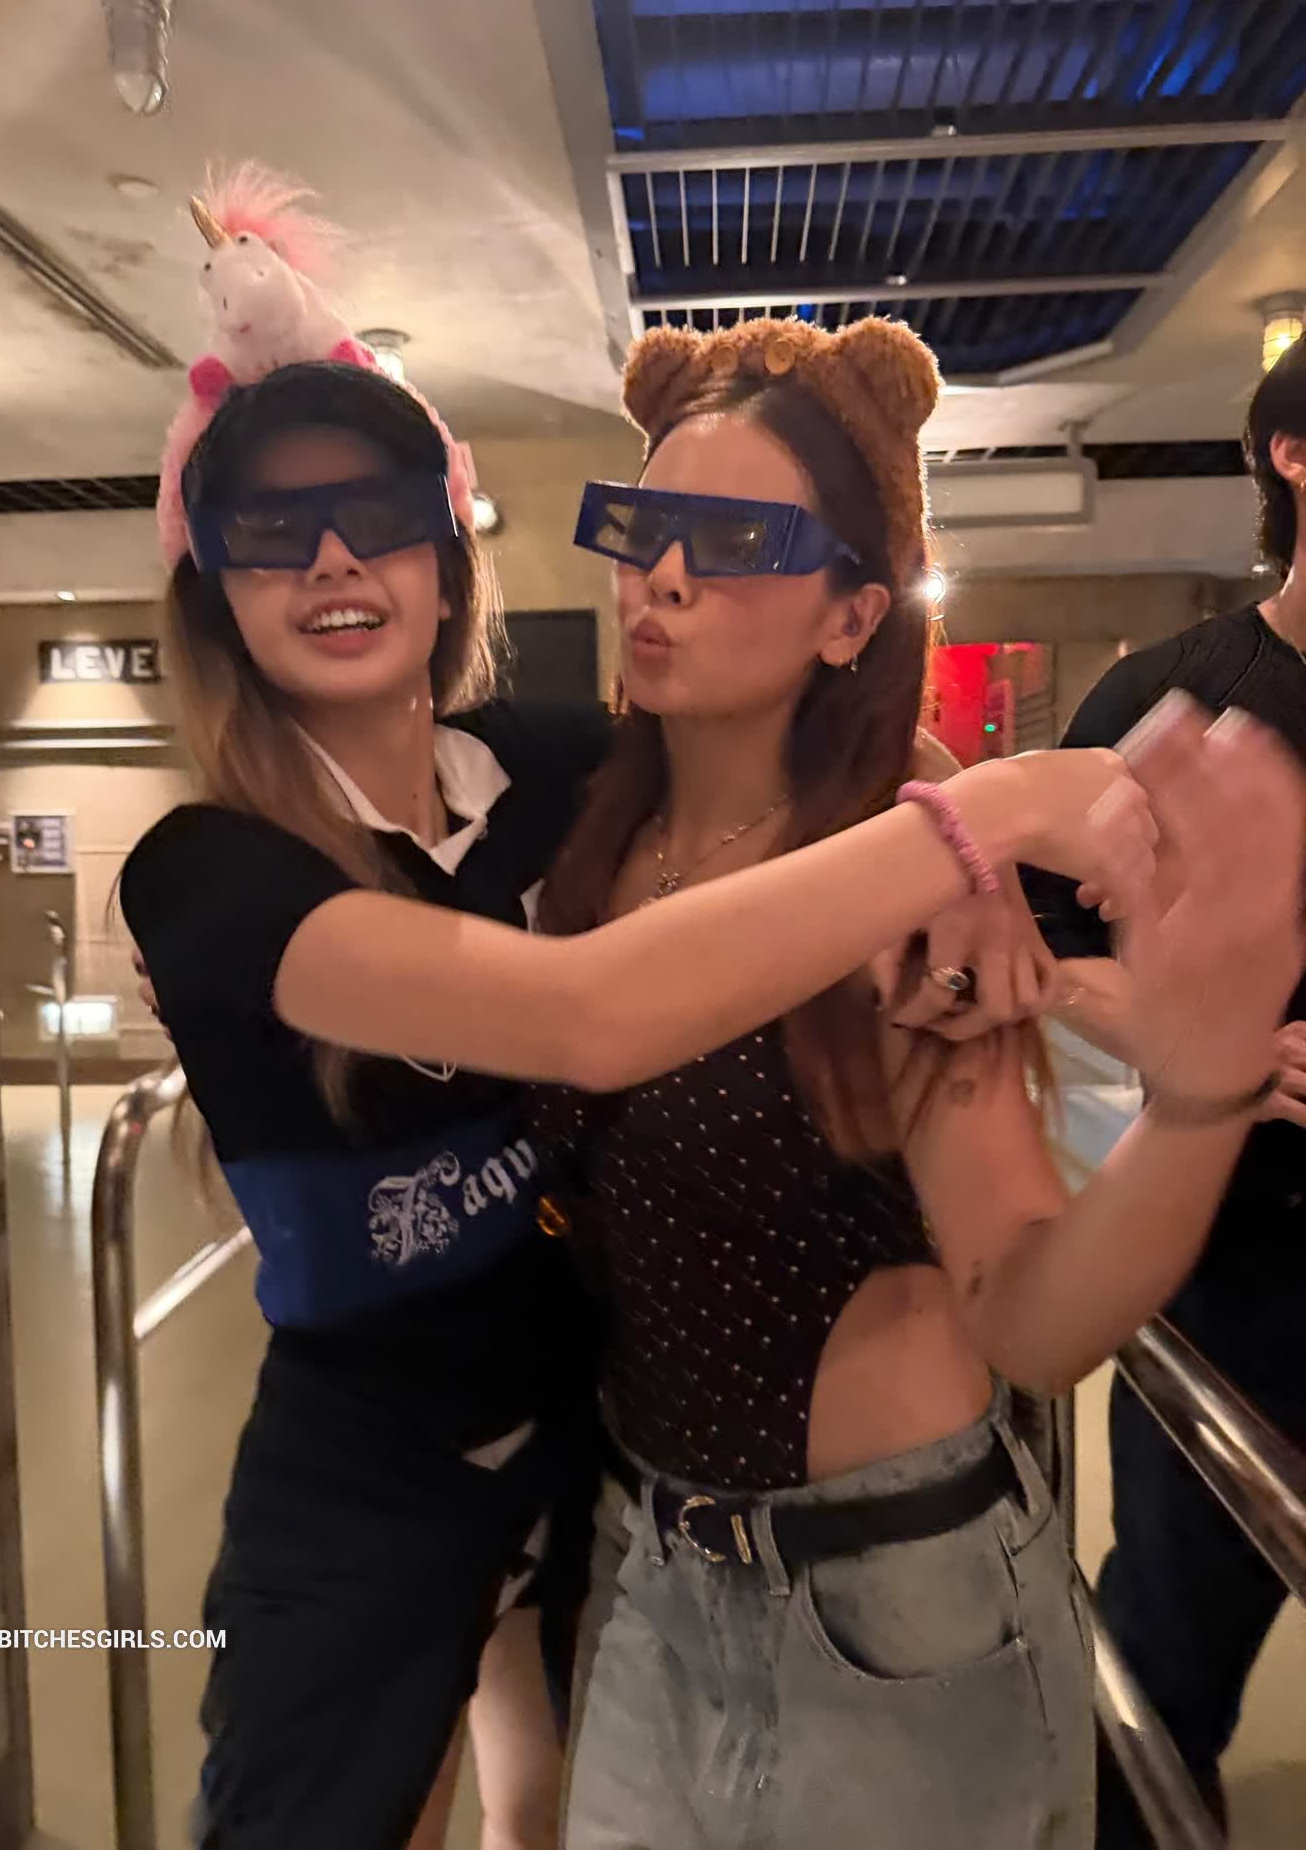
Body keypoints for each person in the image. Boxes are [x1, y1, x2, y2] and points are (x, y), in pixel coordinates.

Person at [118, 332, 1196, 1850]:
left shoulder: (547, 775)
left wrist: (964, 841)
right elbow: (591, 1017)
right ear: (212, 588)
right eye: (271, 530)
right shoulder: (206, 871)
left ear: (448, 554)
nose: (332, 561)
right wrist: (996, 817)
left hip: (620, 1444)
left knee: (542, 1801)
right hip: (376, 1455)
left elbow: (800, 748)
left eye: (377, 515)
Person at [519, 315, 1305, 1850]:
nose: (660, 577)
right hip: (647, 1567)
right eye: (639, 526)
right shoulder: (583, 836)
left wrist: (1200, 1092)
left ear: (850, 616)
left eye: (730, 540)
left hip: (884, 1608)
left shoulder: (907, 891)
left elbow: (1031, 1312)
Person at [1023, 332, 1306, 1845]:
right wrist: (1205, 1046)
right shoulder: (1176, 698)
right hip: (1234, 1268)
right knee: (1161, 1672)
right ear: (1292, 457)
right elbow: (1033, 947)